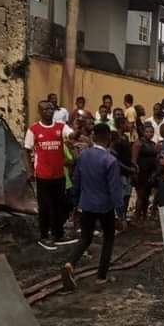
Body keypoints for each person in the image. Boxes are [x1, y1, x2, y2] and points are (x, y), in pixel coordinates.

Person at [61, 123, 123, 290]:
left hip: (86, 204)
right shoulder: (110, 160)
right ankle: (101, 277)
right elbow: (115, 190)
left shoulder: (83, 156)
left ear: (93, 137)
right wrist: (120, 214)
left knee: (85, 238)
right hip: (105, 207)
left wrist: (76, 203)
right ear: (109, 138)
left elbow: (77, 181)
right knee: (108, 239)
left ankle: (70, 264)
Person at [24, 99, 75, 250]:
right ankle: (44, 236)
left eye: (51, 109)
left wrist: (76, 132)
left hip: (59, 175)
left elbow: (71, 136)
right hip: (43, 175)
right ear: (40, 111)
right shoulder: (34, 130)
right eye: (45, 109)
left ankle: (58, 234)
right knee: (45, 206)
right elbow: (26, 150)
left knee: (59, 205)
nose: (49, 111)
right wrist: (29, 170)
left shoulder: (61, 127)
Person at [132, 122, 160, 220]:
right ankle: (137, 217)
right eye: (147, 132)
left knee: (147, 196)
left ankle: (144, 216)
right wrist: (135, 173)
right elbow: (134, 160)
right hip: (141, 172)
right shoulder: (138, 143)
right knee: (140, 196)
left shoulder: (153, 144)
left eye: (151, 132)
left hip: (151, 173)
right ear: (143, 132)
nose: (149, 134)